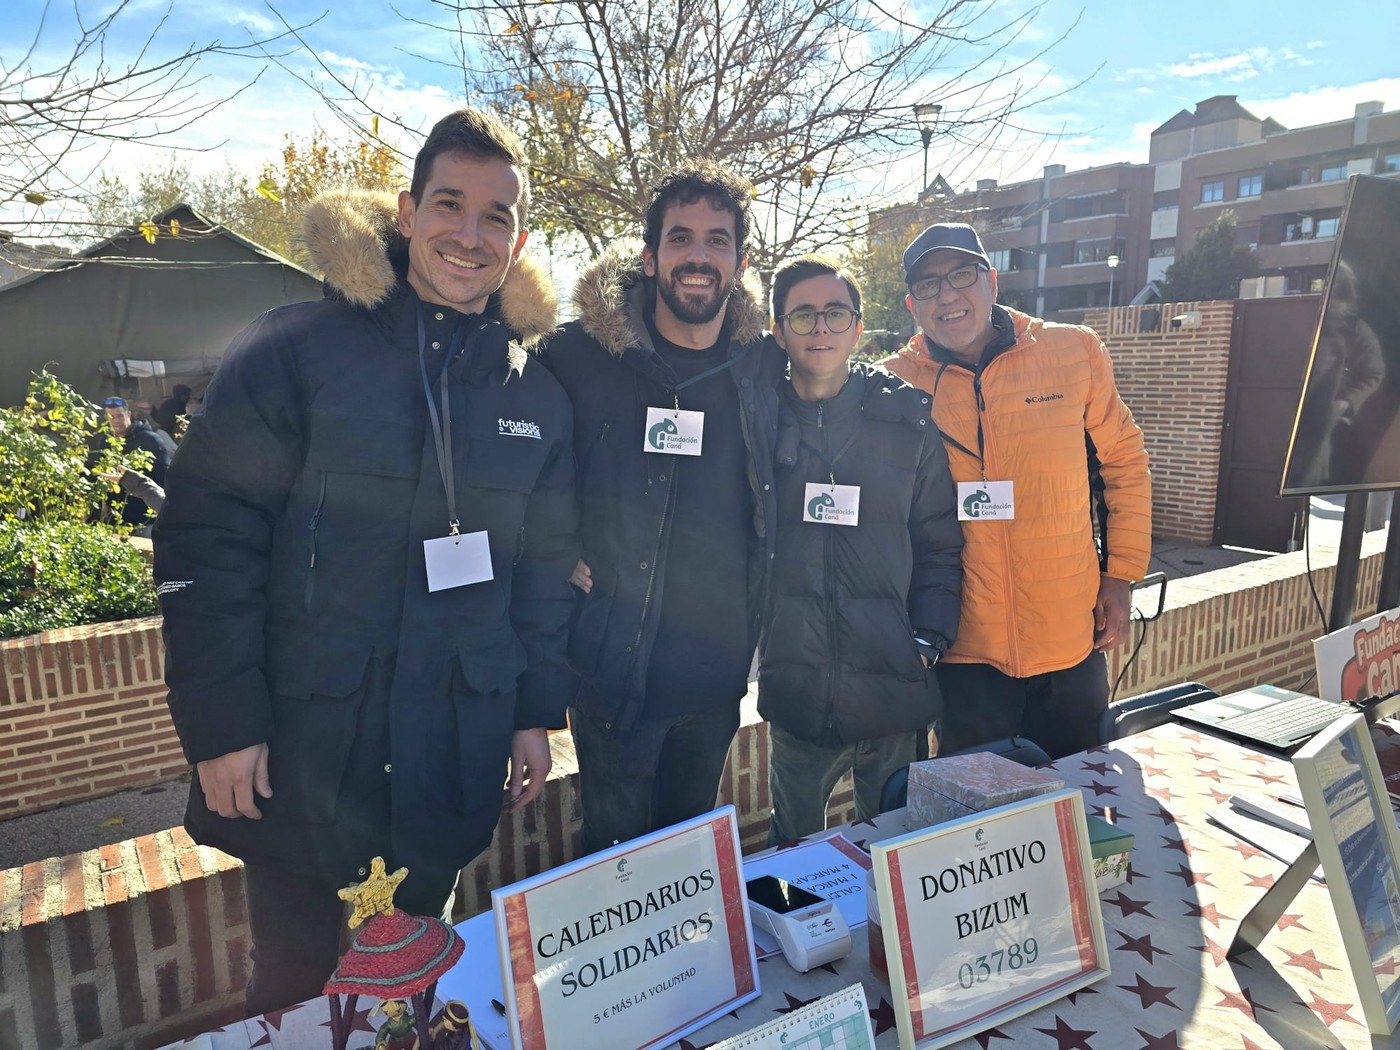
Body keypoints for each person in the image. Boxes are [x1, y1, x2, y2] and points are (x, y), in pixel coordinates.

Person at [153, 108, 578, 1015]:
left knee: (417, 991)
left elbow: (541, 576)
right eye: (449, 205)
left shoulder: (535, 391)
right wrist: (223, 723)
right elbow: (206, 535)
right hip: (302, 751)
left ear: (521, 237)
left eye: (496, 215)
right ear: (404, 212)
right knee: (298, 996)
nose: (470, 235)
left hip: (451, 748)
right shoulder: (296, 348)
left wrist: (533, 712)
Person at [541, 160, 782, 855]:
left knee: (687, 859)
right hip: (615, 671)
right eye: (680, 239)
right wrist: (553, 547)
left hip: (717, 673)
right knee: (617, 865)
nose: (698, 256)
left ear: (739, 263)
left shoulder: (761, 366)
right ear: (649, 258)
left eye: (717, 240)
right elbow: (511, 462)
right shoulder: (576, 357)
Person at [882, 223, 1151, 760]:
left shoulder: (1073, 352)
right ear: (914, 305)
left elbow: (1125, 460)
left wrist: (1120, 575)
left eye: (962, 275)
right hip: (964, 653)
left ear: (993, 283)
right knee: (980, 824)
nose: (949, 296)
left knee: (1082, 803)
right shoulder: (893, 384)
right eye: (929, 285)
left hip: (1070, 639)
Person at [759, 256, 963, 843]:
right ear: (779, 330)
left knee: (897, 855)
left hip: (892, 687)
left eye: (835, 313)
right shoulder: (758, 422)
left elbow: (939, 543)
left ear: (857, 326)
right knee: (791, 858)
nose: (820, 327)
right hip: (798, 693)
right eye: (802, 315)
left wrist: (926, 641)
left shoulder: (906, 421)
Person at [103, 396, 176, 525]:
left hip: (147, 517)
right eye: (111, 417)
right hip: (117, 518)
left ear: (129, 414)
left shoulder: (150, 440)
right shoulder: (104, 442)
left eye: (120, 416)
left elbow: (166, 477)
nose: (116, 421)